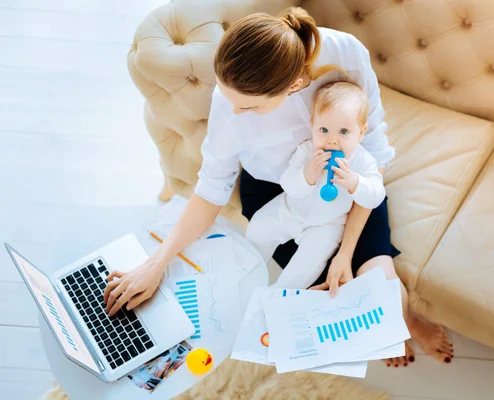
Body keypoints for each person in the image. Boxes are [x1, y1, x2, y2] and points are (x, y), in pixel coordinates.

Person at [104, 7, 453, 367]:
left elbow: (374, 148)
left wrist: (346, 252)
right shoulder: (228, 103)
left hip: (348, 182)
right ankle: (390, 323)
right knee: (329, 291)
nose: (232, 111)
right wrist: (156, 263)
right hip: (276, 191)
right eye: (227, 96)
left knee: (383, 291)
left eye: (249, 106)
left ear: (294, 86)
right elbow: (212, 186)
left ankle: (407, 320)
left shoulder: (345, 53)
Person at [246, 81, 386, 289]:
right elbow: (288, 185)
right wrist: (307, 174)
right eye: (323, 130)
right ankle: (245, 275)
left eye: (344, 132)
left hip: (326, 224)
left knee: (307, 266)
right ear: (312, 125)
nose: (332, 141)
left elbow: (376, 196)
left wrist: (355, 183)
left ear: (361, 132)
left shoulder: (363, 162)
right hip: (289, 210)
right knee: (257, 230)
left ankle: (279, 294)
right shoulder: (306, 151)